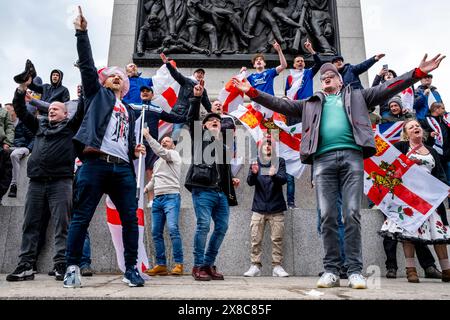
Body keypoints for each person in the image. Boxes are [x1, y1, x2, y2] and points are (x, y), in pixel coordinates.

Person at [232, 53, 446, 289]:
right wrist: (252, 92)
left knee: (352, 212)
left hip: (352, 158)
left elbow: (387, 88)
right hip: (322, 161)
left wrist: (417, 73)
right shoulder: (311, 103)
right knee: (327, 215)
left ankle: (354, 270)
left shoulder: (357, 96)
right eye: (322, 77)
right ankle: (332, 270)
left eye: (330, 75)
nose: (325, 78)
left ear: (340, 80)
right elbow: (281, 104)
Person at [64, 7, 146, 288]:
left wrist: (135, 149)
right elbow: (87, 64)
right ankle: (72, 266)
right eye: (111, 75)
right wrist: (82, 32)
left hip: (122, 169)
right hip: (94, 164)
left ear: (125, 86)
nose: (116, 78)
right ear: (104, 81)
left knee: (130, 221)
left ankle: (131, 268)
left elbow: (127, 137)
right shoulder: (96, 95)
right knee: (82, 217)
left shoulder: (131, 111)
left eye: (120, 77)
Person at [5, 75, 85, 282]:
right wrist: (22, 88)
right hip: (37, 182)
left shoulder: (71, 127)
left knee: (62, 224)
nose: (51, 110)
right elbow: (21, 111)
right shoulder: (39, 126)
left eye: (56, 108)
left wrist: (82, 95)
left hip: (61, 182)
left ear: (66, 114)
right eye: (49, 109)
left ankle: (61, 264)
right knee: (30, 223)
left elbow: (83, 111)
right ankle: (25, 265)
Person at [380, 119, 450, 283]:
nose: (415, 127)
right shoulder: (401, 148)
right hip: (408, 199)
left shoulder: (432, 151)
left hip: (430, 199)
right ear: (406, 133)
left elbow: (440, 174)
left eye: (417, 125)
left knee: (438, 234)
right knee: (409, 234)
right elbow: (387, 165)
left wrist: (446, 189)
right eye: (411, 127)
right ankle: (411, 270)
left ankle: (447, 270)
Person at [185, 82, 240, 281]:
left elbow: (223, 171)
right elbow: (191, 119)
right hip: (203, 190)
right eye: (211, 120)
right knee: (203, 226)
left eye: (217, 120)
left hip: (221, 193)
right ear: (205, 126)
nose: (215, 121)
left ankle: (208, 264)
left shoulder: (224, 147)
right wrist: (197, 99)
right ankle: (198, 265)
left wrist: (231, 180)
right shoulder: (199, 137)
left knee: (222, 227)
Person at [130, 85, 186, 207]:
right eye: (142, 91)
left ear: (152, 94)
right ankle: (129, 197)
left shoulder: (157, 109)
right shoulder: (133, 106)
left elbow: (171, 118)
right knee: (132, 169)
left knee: (151, 169)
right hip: (136, 142)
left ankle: (151, 200)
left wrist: (187, 117)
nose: (144, 93)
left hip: (151, 143)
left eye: (147, 91)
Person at [243, 135, 289, 278]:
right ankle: (255, 266)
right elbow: (250, 182)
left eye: (270, 144)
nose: (267, 146)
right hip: (258, 208)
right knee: (255, 239)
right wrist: (254, 173)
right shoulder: (255, 162)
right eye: (265, 144)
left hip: (277, 208)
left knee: (277, 239)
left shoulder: (279, 161)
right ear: (260, 147)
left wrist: (274, 175)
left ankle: (277, 267)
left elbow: (283, 180)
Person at [142, 130, 184, 277]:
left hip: (172, 196)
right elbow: (154, 179)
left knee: (173, 229)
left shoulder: (173, 155)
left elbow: (161, 152)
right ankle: (161, 265)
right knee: (156, 232)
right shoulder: (157, 162)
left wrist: (147, 136)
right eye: (163, 141)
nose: (164, 142)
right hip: (158, 199)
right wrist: (145, 190)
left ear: (173, 145)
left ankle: (179, 264)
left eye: (167, 140)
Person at [160, 53, 212, 143]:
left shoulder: (203, 90)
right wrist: (167, 64)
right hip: (180, 114)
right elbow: (175, 74)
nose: (200, 74)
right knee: (175, 136)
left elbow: (208, 105)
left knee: (196, 139)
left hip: (192, 117)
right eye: (198, 72)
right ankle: (172, 152)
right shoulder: (186, 81)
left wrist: (217, 114)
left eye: (202, 73)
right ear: (194, 74)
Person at [4, 103, 34, 198]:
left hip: (23, 147)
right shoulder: (5, 124)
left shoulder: (23, 122)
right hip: (9, 147)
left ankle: (14, 185)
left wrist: (29, 148)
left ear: (14, 111)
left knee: (14, 155)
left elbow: (34, 137)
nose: (5, 112)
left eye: (7, 109)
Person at [0, 104, 14, 204]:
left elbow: (10, 128)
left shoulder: (4, 112)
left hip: (1, 147)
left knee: (4, 172)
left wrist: (7, 142)